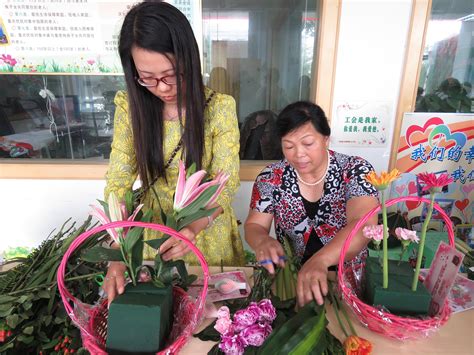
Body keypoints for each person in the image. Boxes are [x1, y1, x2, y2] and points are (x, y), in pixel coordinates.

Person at [103, 2, 245, 303]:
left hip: (205, 229)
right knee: (163, 313)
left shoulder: (219, 108)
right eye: (148, 78)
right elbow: (118, 179)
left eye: (171, 74)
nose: (162, 87)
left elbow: (226, 182)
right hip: (155, 234)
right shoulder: (130, 108)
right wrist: (118, 248)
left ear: (190, 60)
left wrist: (191, 228)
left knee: (214, 319)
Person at [244, 101, 379, 307]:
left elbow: (363, 225)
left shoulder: (355, 170)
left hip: (349, 283)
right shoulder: (271, 177)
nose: (298, 154)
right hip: (292, 283)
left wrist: (321, 260)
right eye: (288, 146)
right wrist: (263, 241)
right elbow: (255, 226)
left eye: (308, 143)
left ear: (326, 139)